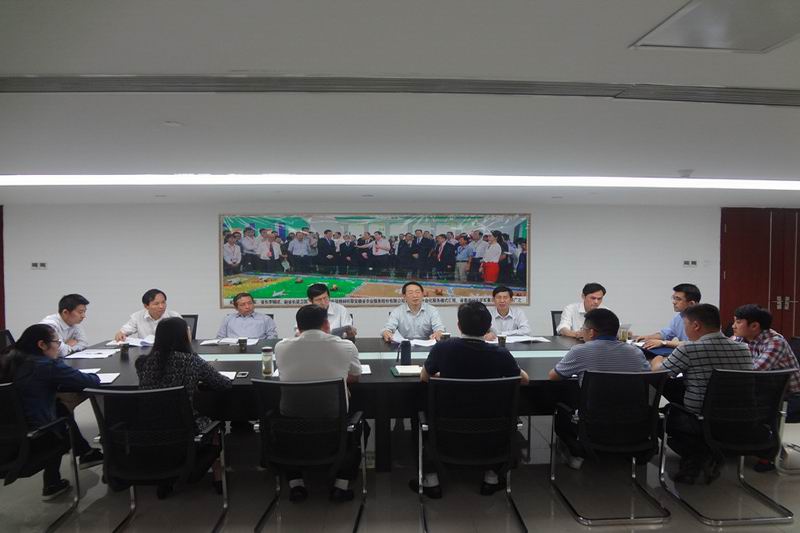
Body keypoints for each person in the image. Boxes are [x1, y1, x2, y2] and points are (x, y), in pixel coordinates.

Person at [412, 301, 529, 498]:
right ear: (488, 327)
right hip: (492, 428)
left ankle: (431, 481)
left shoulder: (443, 348)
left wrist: (446, 376)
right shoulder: (500, 353)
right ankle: (491, 478)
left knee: (418, 412)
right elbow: (524, 380)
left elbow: (424, 377)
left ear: (459, 325)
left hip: (447, 427)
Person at [651, 304, 753, 484]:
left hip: (699, 418)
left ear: (696, 325)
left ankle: (697, 455)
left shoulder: (689, 349)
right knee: (680, 386)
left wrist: (656, 359)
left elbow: (659, 373)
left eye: (686, 325)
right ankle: (707, 452)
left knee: (657, 419)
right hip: (739, 418)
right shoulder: (743, 348)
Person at [0, 324, 103, 500]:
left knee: (59, 407)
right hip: (36, 440)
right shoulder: (45, 365)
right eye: (57, 342)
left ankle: (60, 476)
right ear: (42, 344)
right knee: (62, 416)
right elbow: (91, 381)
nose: (58, 347)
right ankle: (85, 456)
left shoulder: (8, 360)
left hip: (7, 443)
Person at [275, 305, 364, 503]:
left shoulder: (281, 347)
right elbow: (355, 376)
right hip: (334, 422)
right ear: (326, 324)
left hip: (291, 424)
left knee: (287, 430)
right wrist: (338, 378)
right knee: (361, 427)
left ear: (298, 327)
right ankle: (340, 486)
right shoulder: (346, 346)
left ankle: (296, 484)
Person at [136, 317, 232, 497]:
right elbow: (224, 384)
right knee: (212, 420)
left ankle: (165, 478)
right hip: (186, 425)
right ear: (182, 336)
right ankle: (218, 479)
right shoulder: (191, 361)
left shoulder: (142, 362)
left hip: (151, 426)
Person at [547, 309, 651, 469]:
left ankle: (575, 454)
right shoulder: (635, 352)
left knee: (564, 402)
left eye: (583, 329)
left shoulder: (581, 351)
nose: (582, 332)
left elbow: (553, 376)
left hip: (593, 424)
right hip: (632, 424)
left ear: (591, 332)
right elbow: (647, 376)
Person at [732, 304, 800, 472]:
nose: (733, 326)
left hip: (790, 397)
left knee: (747, 408)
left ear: (754, 326)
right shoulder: (742, 339)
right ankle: (739, 444)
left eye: (738, 322)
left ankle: (767, 453)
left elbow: (756, 371)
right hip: (763, 390)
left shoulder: (775, 342)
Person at [636, 284, 701, 349]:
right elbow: (666, 334)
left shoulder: (703, 319)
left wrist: (663, 343)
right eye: (674, 298)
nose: (674, 302)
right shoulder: (679, 317)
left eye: (678, 299)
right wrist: (648, 337)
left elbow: (694, 344)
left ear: (691, 304)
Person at [114, 289, 182, 341]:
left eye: (163, 302)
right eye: (156, 304)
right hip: (145, 353)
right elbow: (122, 332)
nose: (161, 306)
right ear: (146, 306)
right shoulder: (137, 317)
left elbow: (185, 336)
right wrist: (120, 334)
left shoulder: (174, 316)